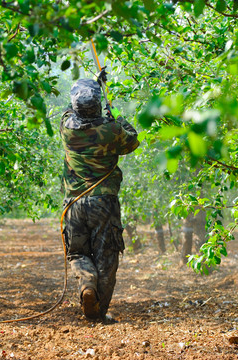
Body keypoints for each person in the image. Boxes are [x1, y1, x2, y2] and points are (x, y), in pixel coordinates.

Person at [60, 77, 139, 321]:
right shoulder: (112, 130)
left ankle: (87, 285)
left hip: (73, 204)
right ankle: (98, 312)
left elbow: (70, 109)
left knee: (77, 253)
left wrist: (93, 85)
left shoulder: (66, 128)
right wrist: (112, 108)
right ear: (97, 106)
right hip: (103, 203)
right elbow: (132, 140)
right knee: (106, 257)